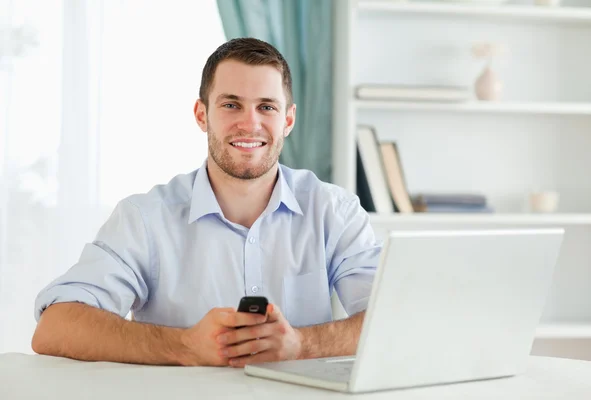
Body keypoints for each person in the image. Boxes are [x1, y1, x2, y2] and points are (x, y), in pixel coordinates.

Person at [31, 37, 381, 368]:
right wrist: (185, 346)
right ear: (202, 115)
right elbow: (55, 327)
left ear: (287, 120)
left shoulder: (335, 211)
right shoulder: (145, 218)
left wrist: (301, 344)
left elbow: (396, 318)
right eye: (231, 105)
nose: (250, 123)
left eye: (266, 107)